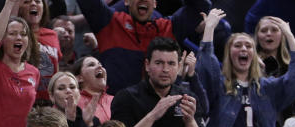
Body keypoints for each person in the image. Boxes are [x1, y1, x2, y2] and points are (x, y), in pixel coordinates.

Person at [75, 0, 223, 94]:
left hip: (158, 112)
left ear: (155, 3)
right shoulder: (109, 22)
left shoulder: (169, 27)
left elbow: (201, 5)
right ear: (126, 1)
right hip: (114, 116)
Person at [111, 37, 209, 127]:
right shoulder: (126, 97)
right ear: (147, 65)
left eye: (171, 63)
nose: (165, 69)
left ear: (179, 66)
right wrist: (152, 115)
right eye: (159, 63)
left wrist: (190, 121)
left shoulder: (187, 98)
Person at [12, 0, 58, 102]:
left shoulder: (52, 35)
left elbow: (56, 67)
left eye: (38, 1)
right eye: (27, 2)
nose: (33, 4)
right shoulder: (14, 37)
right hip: (24, 100)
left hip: (50, 101)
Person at [74, 56, 112, 125]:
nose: (100, 66)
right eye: (91, 65)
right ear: (79, 78)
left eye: (100, 64)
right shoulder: (73, 102)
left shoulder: (115, 99)